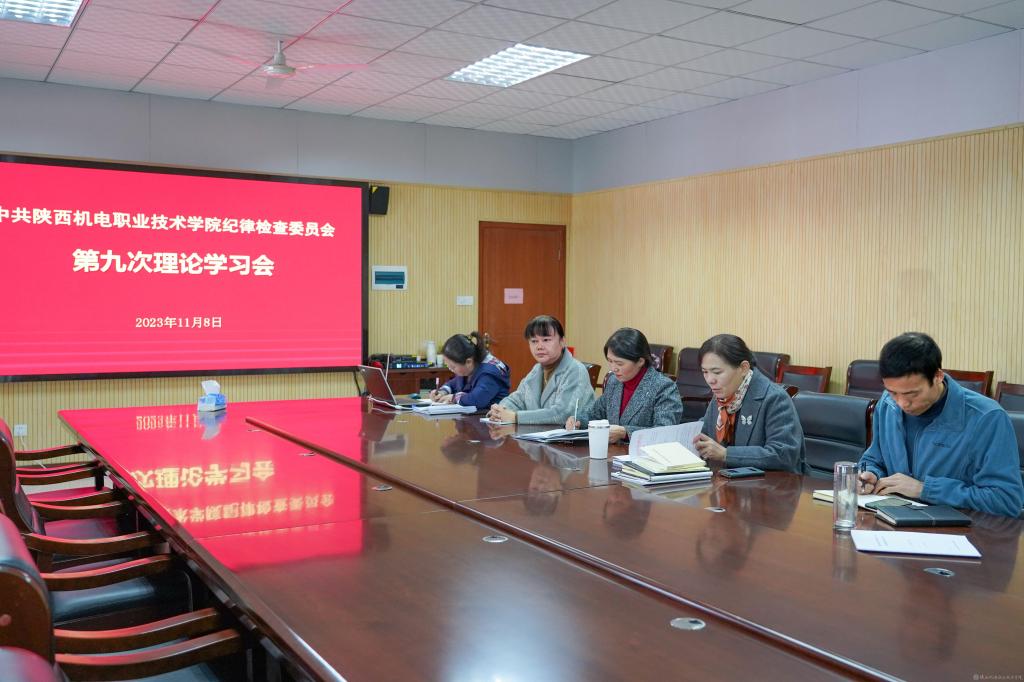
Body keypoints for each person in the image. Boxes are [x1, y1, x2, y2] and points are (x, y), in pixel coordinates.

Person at [858, 332, 1023, 517]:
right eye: (893, 392)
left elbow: (1006, 500)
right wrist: (871, 474)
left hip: (961, 530)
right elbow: (875, 459)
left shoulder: (986, 418)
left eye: (912, 394)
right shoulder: (887, 405)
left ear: (937, 376)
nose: (902, 403)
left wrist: (925, 489)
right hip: (894, 521)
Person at [691, 334, 804, 473]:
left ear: (743, 368)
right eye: (705, 372)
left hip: (772, 483)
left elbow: (784, 454)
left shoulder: (774, 398)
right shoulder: (721, 397)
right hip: (729, 481)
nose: (710, 380)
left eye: (717, 372)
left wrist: (726, 454)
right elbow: (705, 434)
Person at [566, 327, 682, 443]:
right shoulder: (614, 381)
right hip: (611, 451)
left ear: (640, 361)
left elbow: (665, 432)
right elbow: (595, 413)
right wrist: (578, 420)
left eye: (619, 363)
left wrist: (625, 433)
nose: (613, 368)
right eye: (610, 361)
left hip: (641, 453)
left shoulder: (663, 387)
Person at [486, 315, 595, 425]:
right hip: (538, 433)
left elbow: (563, 414)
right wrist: (500, 411)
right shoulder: (537, 369)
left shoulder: (575, 370)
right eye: (534, 341)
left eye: (546, 340)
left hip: (571, 435)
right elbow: (518, 399)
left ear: (562, 342)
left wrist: (515, 417)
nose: (539, 346)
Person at [428, 332, 510, 411]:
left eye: (453, 367)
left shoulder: (490, 373)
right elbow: (455, 383)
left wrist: (453, 398)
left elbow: (477, 399)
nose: (450, 369)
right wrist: (443, 392)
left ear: (468, 362)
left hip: (489, 416)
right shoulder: (470, 366)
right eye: (447, 365)